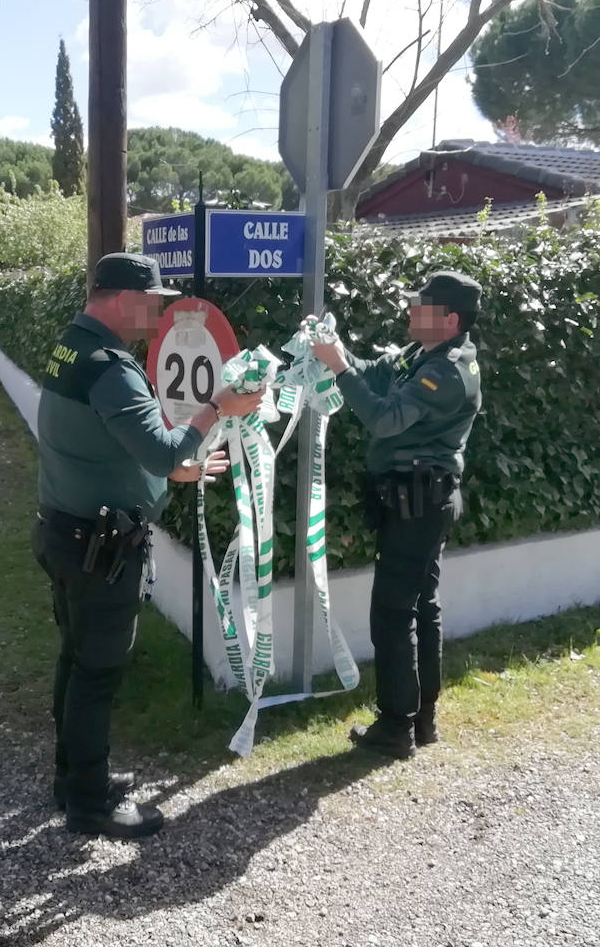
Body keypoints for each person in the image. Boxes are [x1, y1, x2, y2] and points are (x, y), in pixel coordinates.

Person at [34, 251, 263, 840]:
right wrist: (219, 407)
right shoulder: (111, 367)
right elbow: (160, 449)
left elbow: (107, 445)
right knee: (97, 672)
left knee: (74, 657)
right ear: (120, 299)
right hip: (101, 550)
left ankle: (71, 779)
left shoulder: (70, 347)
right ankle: (88, 801)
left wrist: (171, 474)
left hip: (65, 531)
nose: (157, 315)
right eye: (152, 303)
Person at [309, 271, 484, 760]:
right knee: (421, 606)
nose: (410, 312)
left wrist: (340, 368)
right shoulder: (422, 356)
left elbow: (386, 419)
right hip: (420, 500)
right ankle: (421, 719)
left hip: (420, 504)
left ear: (448, 320)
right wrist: (338, 350)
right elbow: (375, 371)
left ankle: (395, 725)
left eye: (421, 308)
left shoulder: (446, 372)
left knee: (392, 612)